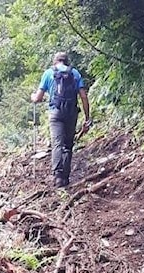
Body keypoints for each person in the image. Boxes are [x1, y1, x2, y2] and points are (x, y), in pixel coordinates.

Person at [31, 52, 91, 188]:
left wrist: (32, 97)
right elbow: (83, 96)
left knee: (57, 144)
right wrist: (87, 118)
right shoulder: (75, 74)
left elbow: (38, 98)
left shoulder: (48, 73)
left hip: (55, 113)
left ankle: (58, 177)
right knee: (68, 145)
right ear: (67, 62)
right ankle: (66, 177)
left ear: (55, 62)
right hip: (71, 113)